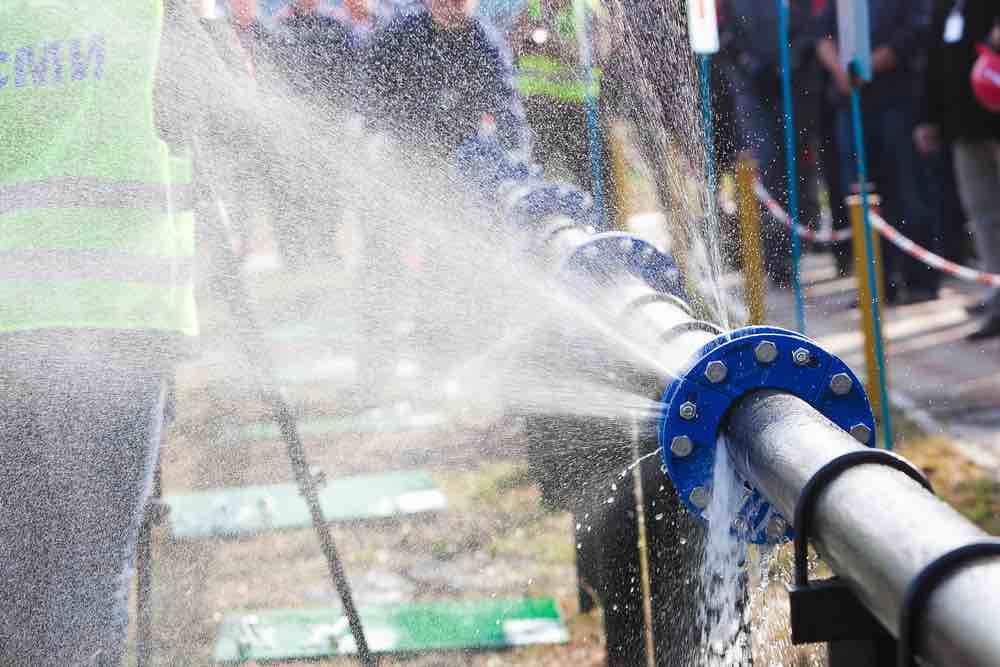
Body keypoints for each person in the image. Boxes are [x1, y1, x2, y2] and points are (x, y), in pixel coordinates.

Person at [0, 1, 254, 663]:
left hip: (11, 323)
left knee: (19, 567)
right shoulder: (158, 8)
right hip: (116, 317)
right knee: (91, 567)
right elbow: (235, 108)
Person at [816, 0, 941, 305]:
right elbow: (823, 35)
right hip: (853, 104)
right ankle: (877, 284)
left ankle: (920, 281)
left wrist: (867, 68)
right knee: (861, 195)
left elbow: (915, 32)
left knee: (908, 192)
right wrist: (841, 71)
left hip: (899, 100)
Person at [719, 0, 821, 285]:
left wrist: (789, 61)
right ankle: (776, 257)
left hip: (792, 88)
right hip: (752, 92)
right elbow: (725, 32)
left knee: (796, 173)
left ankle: (793, 249)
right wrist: (751, 65)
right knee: (768, 172)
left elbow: (810, 26)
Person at [916, 4, 1000, 339]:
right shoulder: (946, 6)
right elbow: (934, 58)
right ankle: (997, 293)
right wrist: (927, 116)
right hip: (963, 128)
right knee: (984, 219)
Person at [362, 0, 531, 158]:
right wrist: (368, 130)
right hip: (397, 141)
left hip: (454, 153)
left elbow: (508, 113)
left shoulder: (486, 46)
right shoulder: (403, 28)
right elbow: (369, 83)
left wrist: (516, 158)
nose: (448, 3)